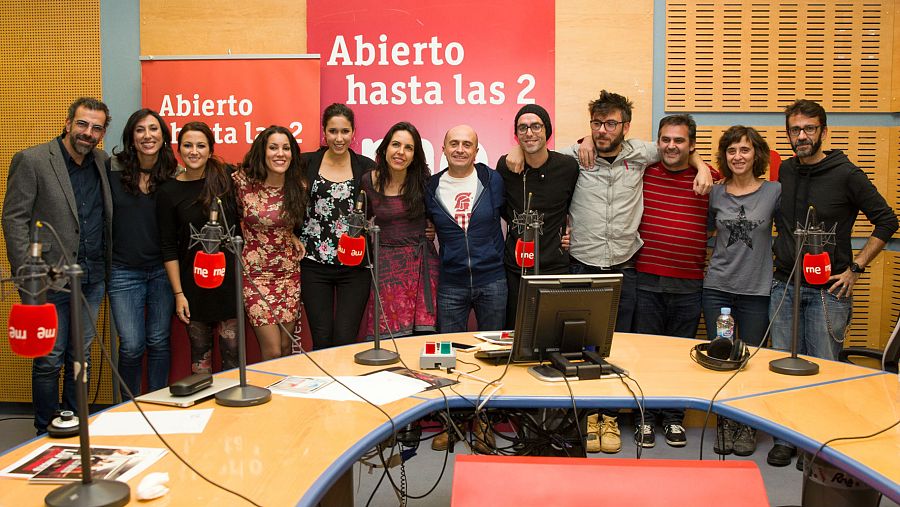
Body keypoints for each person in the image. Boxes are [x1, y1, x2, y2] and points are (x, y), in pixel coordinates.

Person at [503, 92, 713, 454]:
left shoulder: (642, 153)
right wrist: (517, 151)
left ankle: (610, 417)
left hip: (624, 268)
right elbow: (535, 149)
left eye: (611, 123)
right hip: (581, 265)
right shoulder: (573, 156)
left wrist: (704, 165)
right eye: (596, 124)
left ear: (625, 127)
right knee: (581, 346)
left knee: (620, 347)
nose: (602, 131)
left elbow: (678, 147)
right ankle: (587, 417)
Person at [766, 99, 898, 467]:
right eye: (795, 129)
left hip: (829, 292)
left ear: (824, 131)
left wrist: (856, 267)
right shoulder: (785, 172)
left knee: (824, 369)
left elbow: (887, 221)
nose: (802, 135)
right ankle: (785, 438)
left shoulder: (847, 174)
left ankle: (820, 444)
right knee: (780, 366)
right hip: (784, 286)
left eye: (809, 129)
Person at [2, 97, 112, 434]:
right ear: (68, 124)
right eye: (82, 124)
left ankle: (77, 426)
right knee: (50, 358)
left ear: (102, 133)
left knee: (82, 356)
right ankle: (45, 431)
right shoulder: (33, 160)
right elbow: (14, 219)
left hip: (91, 278)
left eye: (96, 127)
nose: (87, 132)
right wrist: (28, 275)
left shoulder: (103, 162)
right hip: (47, 280)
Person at [633, 114, 721, 449]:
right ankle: (646, 419)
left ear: (692, 145)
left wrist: (700, 165)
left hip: (688, 283)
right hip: (646, 280)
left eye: (679, 140)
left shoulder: (708, 179)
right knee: (646, 355)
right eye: (666, 139)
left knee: (681, 356)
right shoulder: (643, 172)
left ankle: (673, 420)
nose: (671, 146)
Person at [702, 125, 780, 457]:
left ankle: (746, 424)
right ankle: (724, 421)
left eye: (745, 150)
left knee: (750, 360)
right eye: (732, 151)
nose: (738, 156)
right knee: (721, 357)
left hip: (756, 291)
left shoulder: (774, 191)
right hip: (717, 288)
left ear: (756, 155)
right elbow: (702, 231)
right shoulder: (715, 193)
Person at [157, 122, 239, 374]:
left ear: (211, 150)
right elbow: (168, 247)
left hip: (228, 285)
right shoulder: (168, 192)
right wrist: (178, 294)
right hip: (193, 285)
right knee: (200, 361)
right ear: (179, 149)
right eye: (188, 145)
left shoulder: (227, 180)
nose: (194, 151)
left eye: (201, 145)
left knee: (233, 358)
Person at [107, 108, 177, 397]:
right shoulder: (111, 170)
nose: (147, 135)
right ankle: (129, 405)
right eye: (140, 130)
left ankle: (157, 401)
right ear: (131, 137)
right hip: (123, 271)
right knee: (132, 345)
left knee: (159, 340)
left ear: (163, 135)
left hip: (162, 270)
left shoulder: (175, 174)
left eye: (153, 129)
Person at [496, 104, 579, 328]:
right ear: (516, 135)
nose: (529, 132)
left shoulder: (568, 167)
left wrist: (573, 231)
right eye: (522, 128)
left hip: (555, 268)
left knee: (554, 333)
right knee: (516, 336)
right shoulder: (505, 167)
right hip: (517, 270)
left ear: (547, 131)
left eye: (535, 126)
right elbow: (503, 209)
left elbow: (576, 207)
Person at [300, 104, 374, 349]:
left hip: (354, 264)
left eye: (345, 131)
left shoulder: (366, 167)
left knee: (345, 338)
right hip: (314, 263)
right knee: (321, 338)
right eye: (333, 131)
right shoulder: (306, 162)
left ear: (354, 133)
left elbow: (384, 206)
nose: (339, 138)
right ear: (324, 132)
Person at [234, 125, 308, 360]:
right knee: (273, 350)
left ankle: (282, 394)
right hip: (255, 275)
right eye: (273, 147)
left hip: (288, 274)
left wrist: (292, 235)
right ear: (262, 152)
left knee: (286, 349)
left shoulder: (299, 186)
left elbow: (289, 224)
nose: (280, 153)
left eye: (286, 148)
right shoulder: (242, 183)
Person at [360, 121, 439, 338]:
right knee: (387, 338)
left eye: (408, 148)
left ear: (415, 155)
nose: (400, 152)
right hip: (386, 267)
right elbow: (360, 222)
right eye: (396, 145)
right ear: (385, 148)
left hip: (421, 264)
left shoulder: (425, 183)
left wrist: (432, 228)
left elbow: (439, 218)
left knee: (421, 339)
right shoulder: (367, 181)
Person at [425, 124, 506, 333]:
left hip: (492, 282)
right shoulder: (431, 186)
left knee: (494, 350)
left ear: (476, 152)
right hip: (451, 284)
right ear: (443, 149)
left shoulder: (492, 180)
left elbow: (515, 214)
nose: (460, 149)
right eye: (454, 144)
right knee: (450, 351)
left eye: (467, 144)